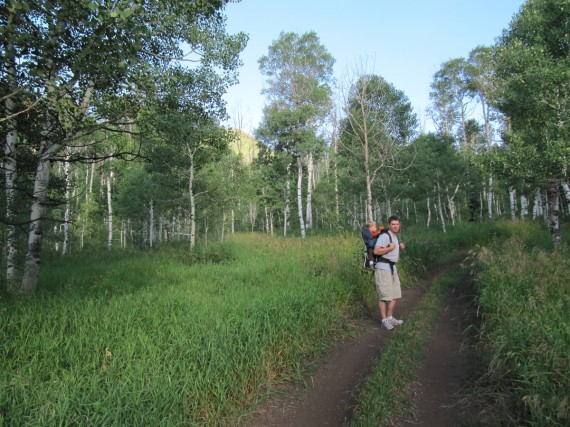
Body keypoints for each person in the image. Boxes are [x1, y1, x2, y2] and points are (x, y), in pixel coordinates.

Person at [373, 215, 406, 330]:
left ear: (399, 225)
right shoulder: (385, 236)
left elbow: (393, 251)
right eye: (393, 224)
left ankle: (390, 317)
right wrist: (390, 248)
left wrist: (400, 248)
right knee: (384, 296)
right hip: (383, 268)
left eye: (397, 224)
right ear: (389, 225)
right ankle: (384, 321)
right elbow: (377, 251)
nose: (395, 226)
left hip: (392, 268)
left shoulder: (395, 237)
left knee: (395, 294)